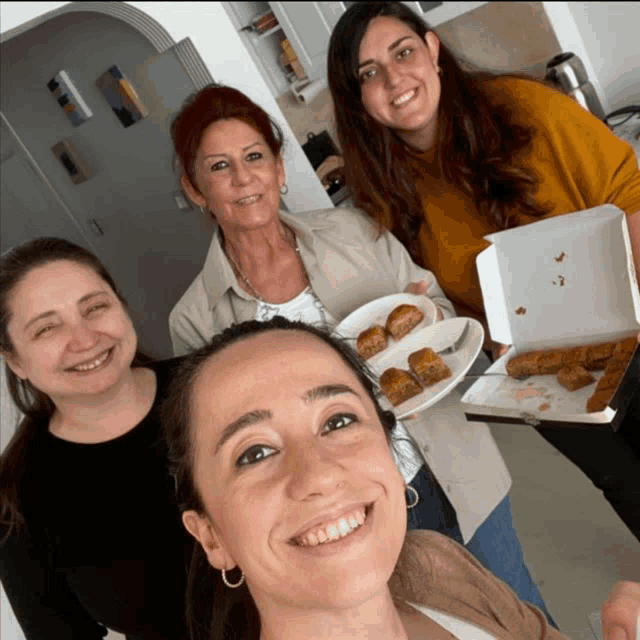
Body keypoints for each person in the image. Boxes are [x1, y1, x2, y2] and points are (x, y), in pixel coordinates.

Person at [167, 84, 556, 621]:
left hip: (449, 468)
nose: (243, 177)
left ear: (280, 169)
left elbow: (437, 311)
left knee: (519, 614)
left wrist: (432, 321)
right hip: (343, 513)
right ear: (195, 189)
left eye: (255, 157)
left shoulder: (354, 230)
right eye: (219, 167)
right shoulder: (194, 319)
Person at [326, 1, 640, 541]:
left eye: (403, 53)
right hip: (542, 378)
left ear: (432, 49)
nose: (394, 78)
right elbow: (458, 304)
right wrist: (484, 333)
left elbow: (629, 194)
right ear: (358, 99)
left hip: (630, 334)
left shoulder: (524, 109)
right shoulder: (383, 193)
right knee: (627, 485)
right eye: (369, 74)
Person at [161, 316, 640, 640]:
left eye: (338, 421)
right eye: (255, 452)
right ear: (211, 535)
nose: (320, 475)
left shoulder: (437, 564)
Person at [0, 238, 191, 640]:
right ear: (15, 359)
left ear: (121, 306)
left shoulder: (216, 382)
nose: (84, 339)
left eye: (95, 308)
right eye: (48, 328)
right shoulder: (14, 502)